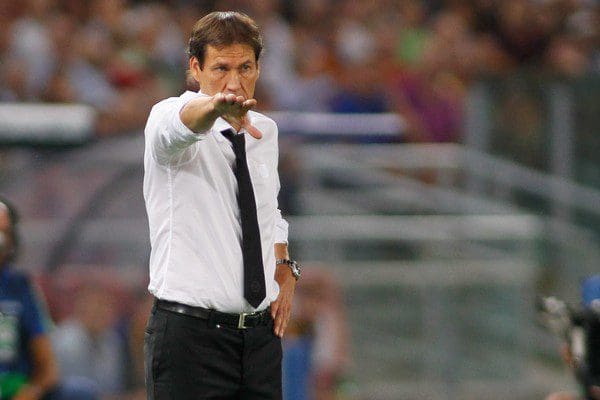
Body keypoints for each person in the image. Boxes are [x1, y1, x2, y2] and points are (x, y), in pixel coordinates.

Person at [142, 11, 300, 400]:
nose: (233, 82)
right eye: (221, 68)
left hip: (260, 341)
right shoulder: (168, 117)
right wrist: (215, 108)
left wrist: (283, 263)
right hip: (191, 339)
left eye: (244, 67)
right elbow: (182, 125)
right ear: (195, 68)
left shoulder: (265, 132)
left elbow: (268, 211)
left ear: (258, 68)